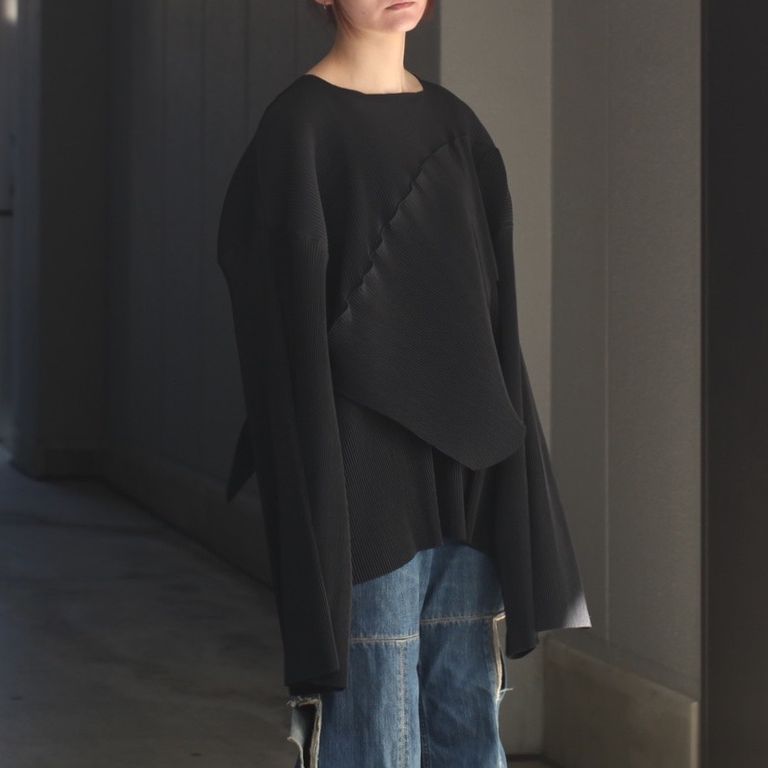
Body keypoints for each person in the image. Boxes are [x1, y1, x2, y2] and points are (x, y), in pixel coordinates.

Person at [215, 1, 592, 765]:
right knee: (376, 727)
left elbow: (495, 317)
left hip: (468, 475)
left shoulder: (457, 125)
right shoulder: (298, 129)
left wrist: (512, 459)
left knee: (467, 719)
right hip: (364, 485)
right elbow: (282, 332)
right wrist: (312, 484)